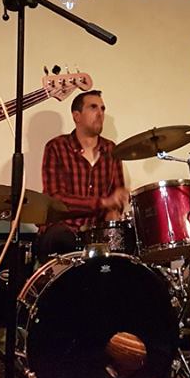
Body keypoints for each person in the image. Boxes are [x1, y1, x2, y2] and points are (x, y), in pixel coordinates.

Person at [37, 89, 130, 261]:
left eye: (102, 108)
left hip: (98, 232)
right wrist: (102, 202)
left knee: (130, 242)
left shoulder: (111, 149)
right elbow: (56, 200)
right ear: (76, 116)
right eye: (93, 107)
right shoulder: (56, 147)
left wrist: (114, 210)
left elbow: (117, 195)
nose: (100, 113)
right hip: (66, 229)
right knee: (59, 237)